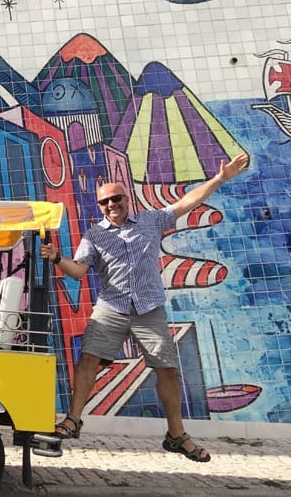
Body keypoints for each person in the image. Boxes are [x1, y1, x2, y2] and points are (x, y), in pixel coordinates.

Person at [40, 153, 250, 464]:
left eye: (116, 198)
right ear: (98, 206)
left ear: (127, 198)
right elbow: (79, 271)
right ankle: (72, 421)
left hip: (148, 308)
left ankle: (176, 435)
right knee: (87, 359)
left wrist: (219, 179)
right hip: (111, 306)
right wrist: (57, 258)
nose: (111, 204)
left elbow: (186, 202)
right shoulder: (94, 235)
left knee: (166, 369)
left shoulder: (151, 220)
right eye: (105, 202)